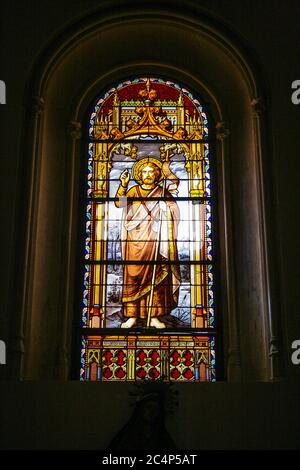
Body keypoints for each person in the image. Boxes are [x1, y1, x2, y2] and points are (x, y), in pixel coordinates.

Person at [114, 157, 180, 328]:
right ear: (140, 174)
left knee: (156, 276)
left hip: (155, 239)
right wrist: (123, 184)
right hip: (134, 240)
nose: (148, 175)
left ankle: (153, 316)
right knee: (133, 276)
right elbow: (119, 204)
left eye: (151, 172)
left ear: (157, 174)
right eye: (144, 172)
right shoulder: (134, 190)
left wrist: (167, 210)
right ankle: (132, 316)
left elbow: (174, 210)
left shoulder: (162, 191)